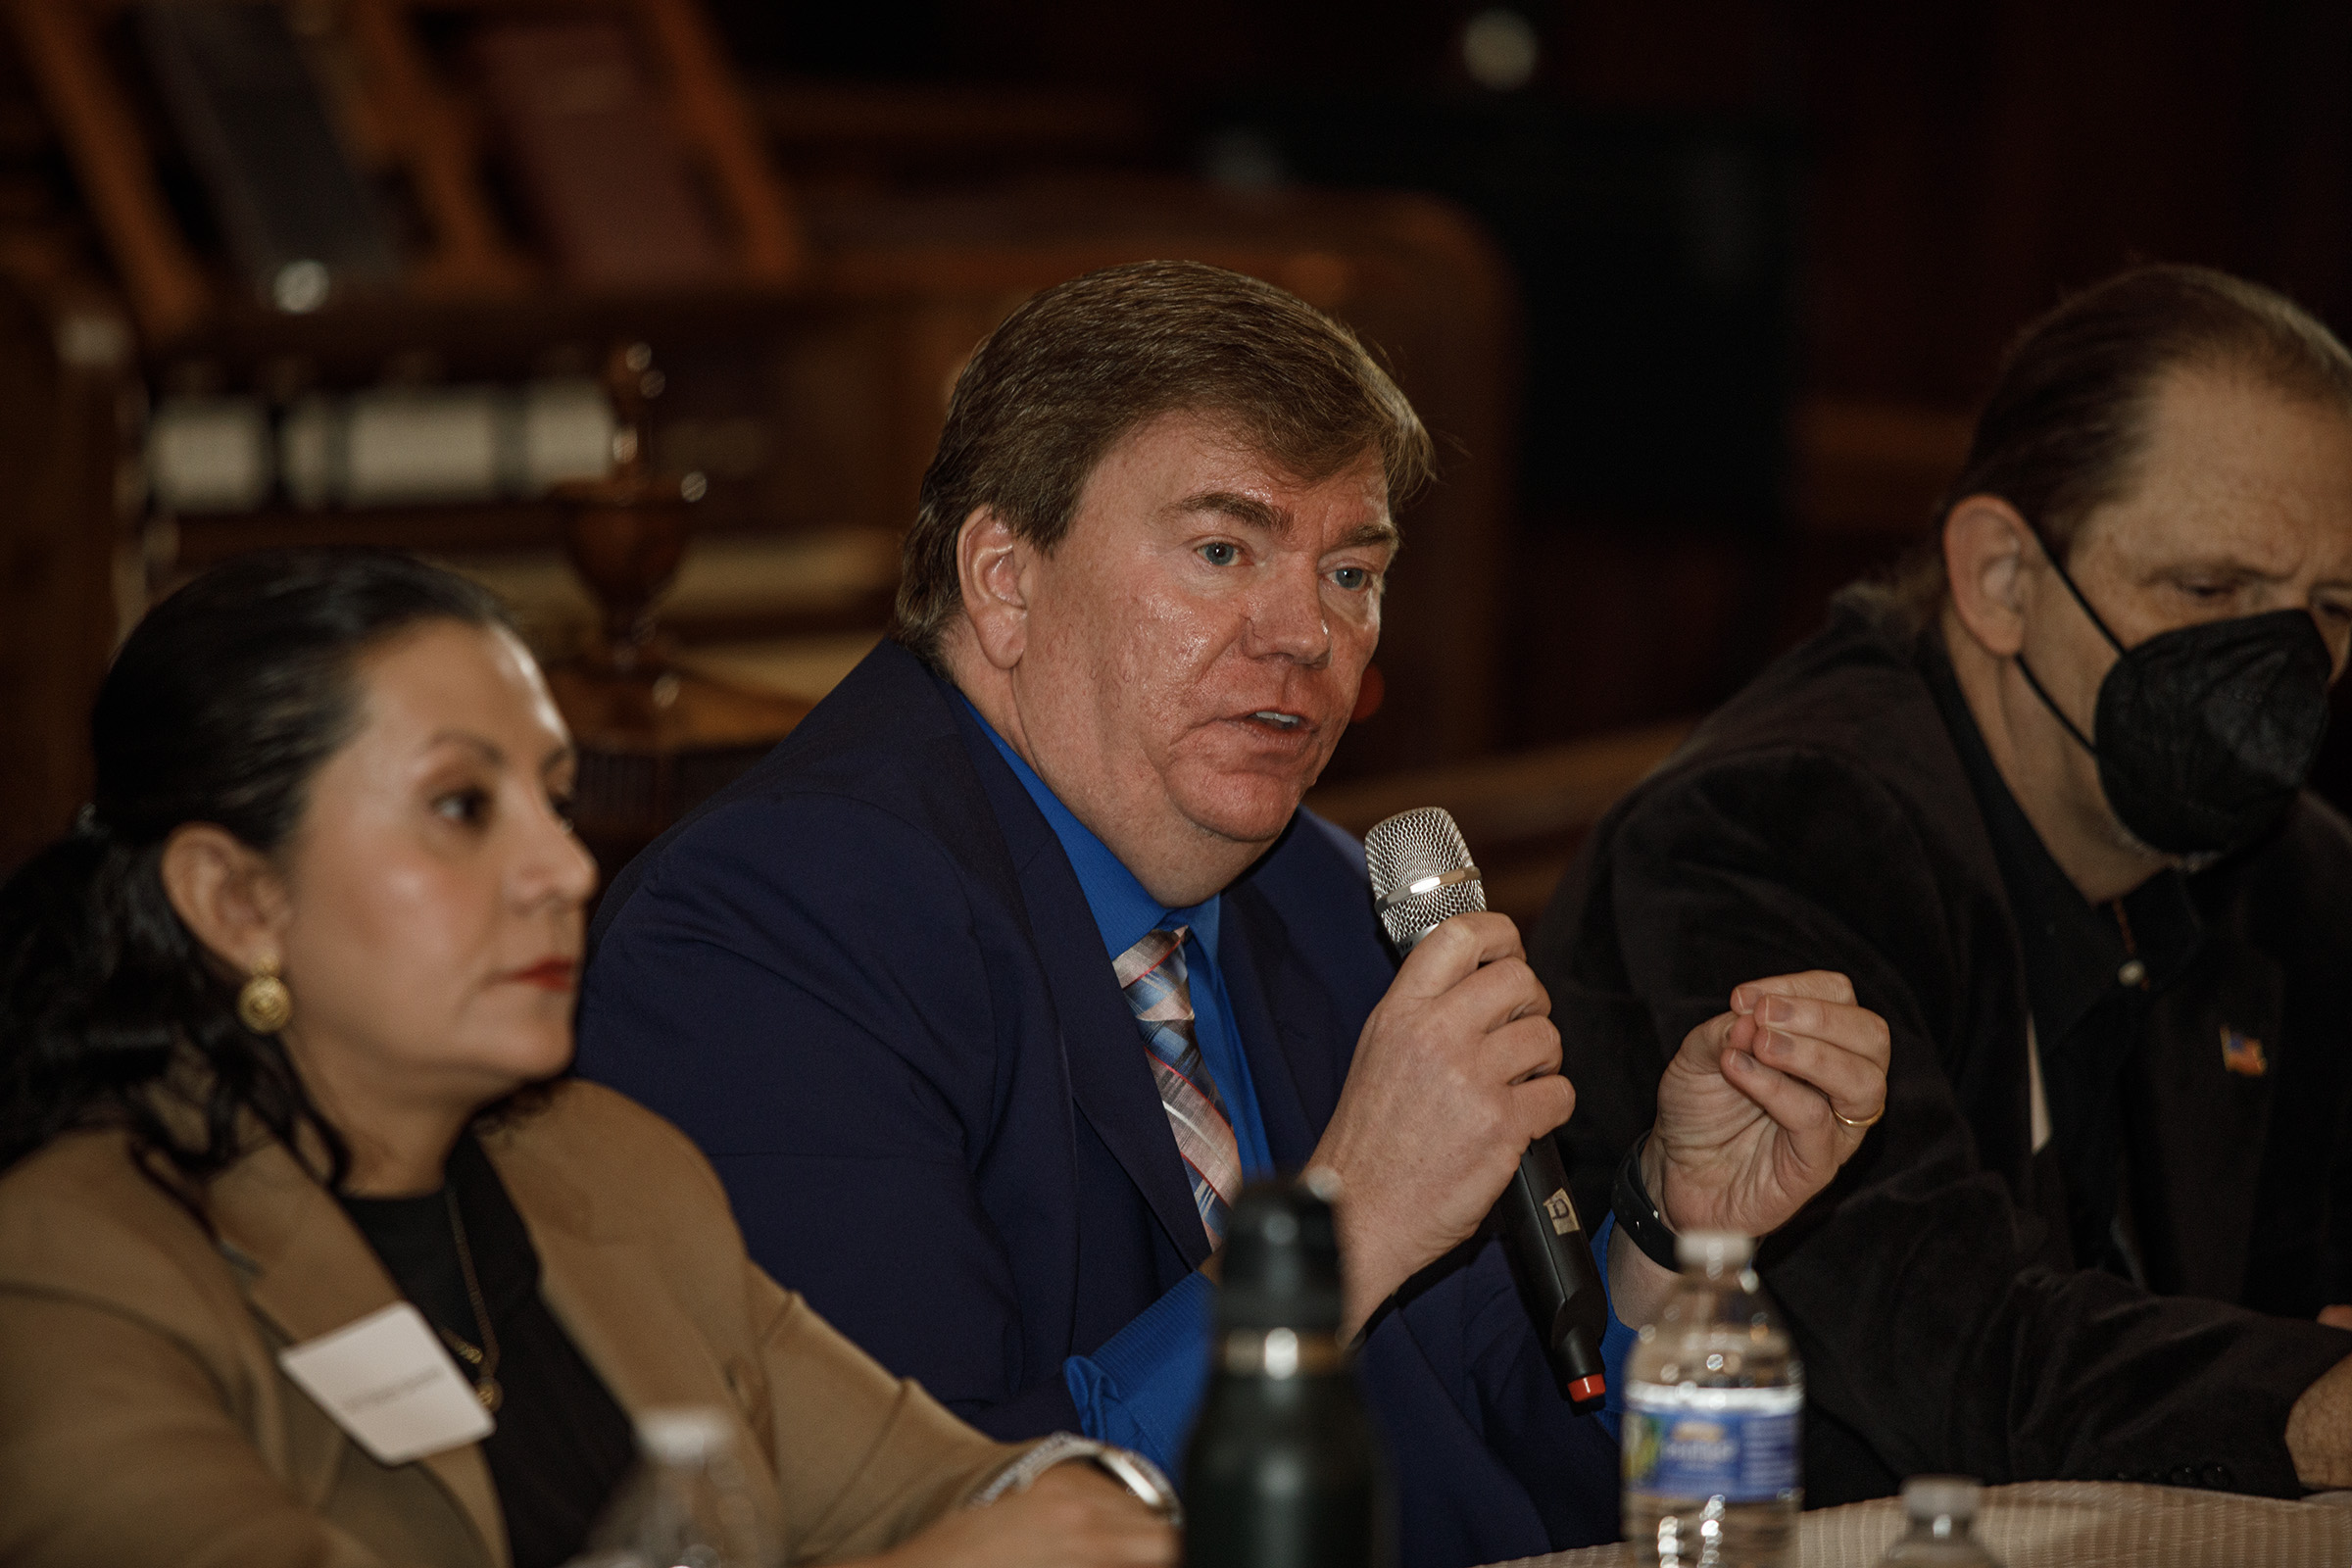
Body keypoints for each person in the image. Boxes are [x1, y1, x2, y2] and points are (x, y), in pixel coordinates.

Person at [577, 260, 1893, 1568]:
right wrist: (1335, 1235)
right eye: (1223, 551)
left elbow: (1512, 1465)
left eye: (1351, 573)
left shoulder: (1327, 899)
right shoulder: (770, 932)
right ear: (1005, 578)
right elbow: (938, 1528)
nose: (1307, 636)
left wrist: (1669, 1233)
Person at [0, 550, 1178, 1568]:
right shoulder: (71, 1271)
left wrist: (1092, 1498)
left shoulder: (609, 1168)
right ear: (237, 900)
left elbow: (956, 1485)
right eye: (461, 808)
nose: (563, 870)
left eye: (555, 802)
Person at [1532, 264, 2352, 1508]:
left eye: (2331, 608)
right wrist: (2313, 1405)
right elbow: (1955, 1365)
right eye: (2208, 591)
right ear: (2003, 577)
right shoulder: (1777, 831)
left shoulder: (2293, 876)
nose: (2279, 665)